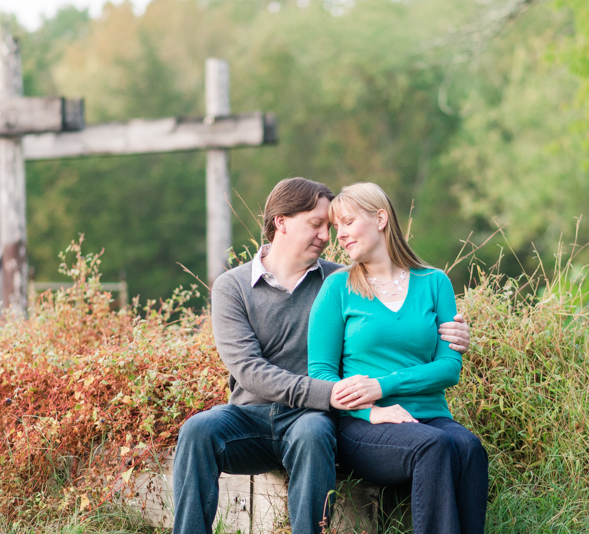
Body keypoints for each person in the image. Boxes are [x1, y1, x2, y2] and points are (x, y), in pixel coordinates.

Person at [171, 177, 472, 534]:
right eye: (316, 224)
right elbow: (250, 371)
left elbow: (395, 317)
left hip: (310, 416)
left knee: (314, 432)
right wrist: (330, 394)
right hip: (249, 416)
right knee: (197, 430)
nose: (327, 236)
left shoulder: (340, 280)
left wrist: (454, 334)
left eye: (329, 227)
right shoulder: (232, 287)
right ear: (281, 222)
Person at [308, 182, 488, 534]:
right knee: (432, 446)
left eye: (346, 222)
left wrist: (381, 385)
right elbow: (321, 373)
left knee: (469, 447)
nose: (339, 235)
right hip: (363, 426)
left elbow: (449, 368)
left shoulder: (434, 282)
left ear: (380, 218)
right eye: (336, 227)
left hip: (430, 415)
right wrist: (370, 408)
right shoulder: (337, 288)